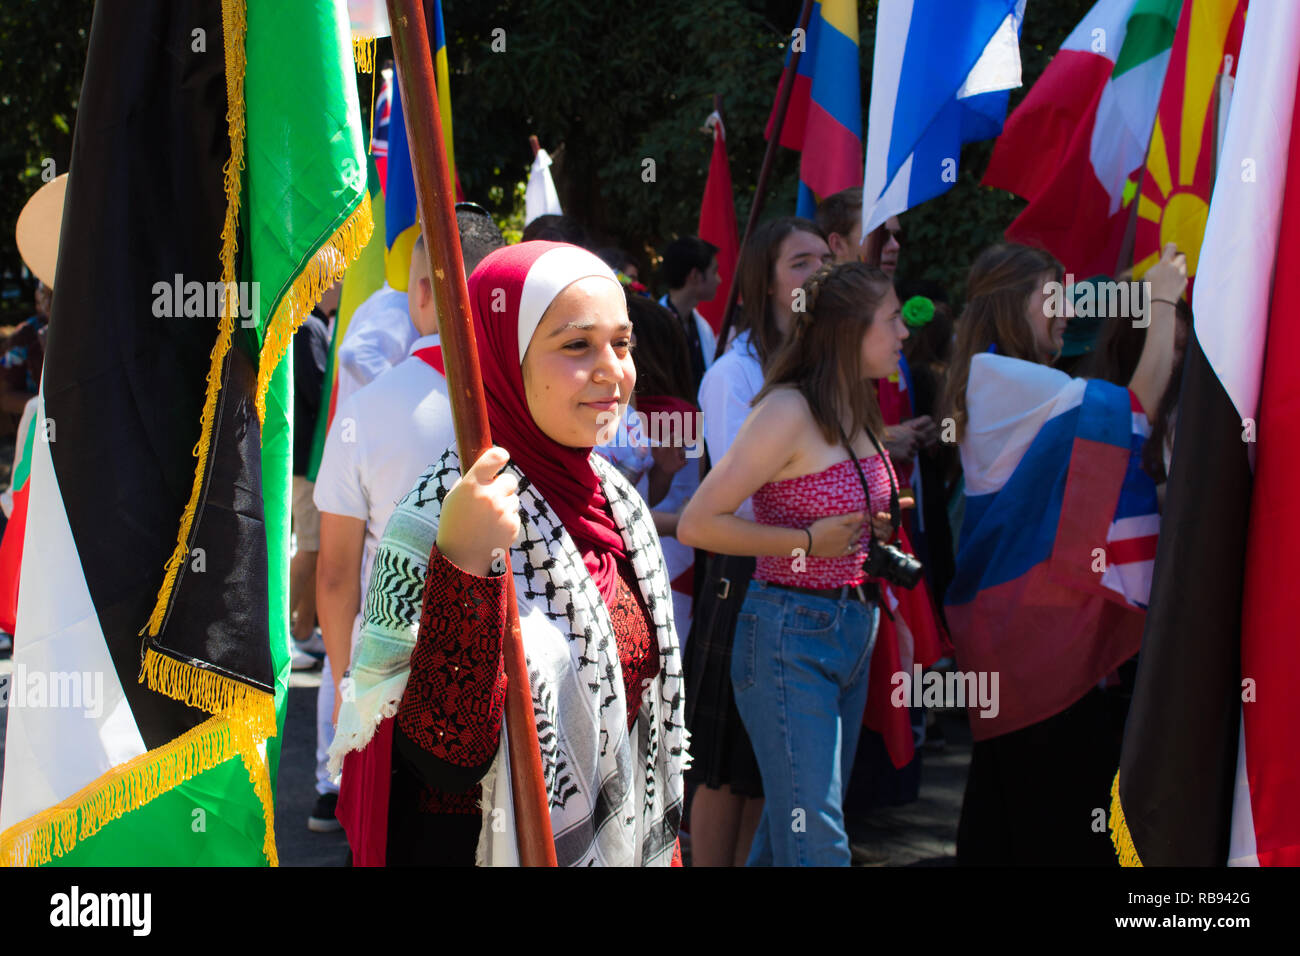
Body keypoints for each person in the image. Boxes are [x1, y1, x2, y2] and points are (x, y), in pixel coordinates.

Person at [327, 241, 686, 866]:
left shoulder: (617, 502)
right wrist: (463, 566)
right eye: (578, 345)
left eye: (622, 344)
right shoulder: (442, 514)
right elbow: (445, 755)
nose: (613, 371)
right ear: (501, 356)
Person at [940, 241, 1186, 865]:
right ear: (1009, 303)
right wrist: (1159, 300)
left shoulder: (1004, 378)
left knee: (1006, 820)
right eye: (1050, 296)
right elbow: (1133, 412)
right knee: (1062, 824)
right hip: (1037, 646)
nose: (1065, 311)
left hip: (1021, 641)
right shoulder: (1002, 377)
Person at [680, 262, 908, 865]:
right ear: (848, 330)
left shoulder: (855, 404)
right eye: (892, 319)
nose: (904, 332)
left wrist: (870, 524)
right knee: (818, 839)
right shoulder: (787, 411)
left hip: (849, 628)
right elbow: (702, 522)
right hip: (789, 632)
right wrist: (807, 540)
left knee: (791, 832)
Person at [310, 218, 504, 834]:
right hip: (509, 683)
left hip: (392, 686)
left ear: (421, 293)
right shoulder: (530, 407)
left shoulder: (363, 411)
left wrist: (348, 689)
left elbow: (337, 576)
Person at [686, 216, 831, 866]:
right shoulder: (733, 374)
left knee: (762, 771)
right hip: (742, 576)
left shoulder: (819, 366)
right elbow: (734, 500)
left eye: (825, 258)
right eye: (801, 262)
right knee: (722, 769)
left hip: (800, 574)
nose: (819, 272)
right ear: (765, 284)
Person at [596, 293, 701, 642]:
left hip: (658, 559)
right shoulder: (592, 408)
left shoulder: (654, 412)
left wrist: (665, 472)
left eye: (627, 344)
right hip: (617, 563)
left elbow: (649, 495)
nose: (622, 356)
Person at [288, 305, 331, 671]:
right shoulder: (308, 325)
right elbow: (317, 391)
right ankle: (282, 633)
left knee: (310, 547)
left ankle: (300, 631)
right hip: (305, 461)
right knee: (310, 547)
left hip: (302, 458)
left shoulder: (310, 323)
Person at [659, 236, 720, 392]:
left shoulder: (701, 326)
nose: (719, 280)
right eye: (714, 272)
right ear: (695, 276)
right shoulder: (654, 326)